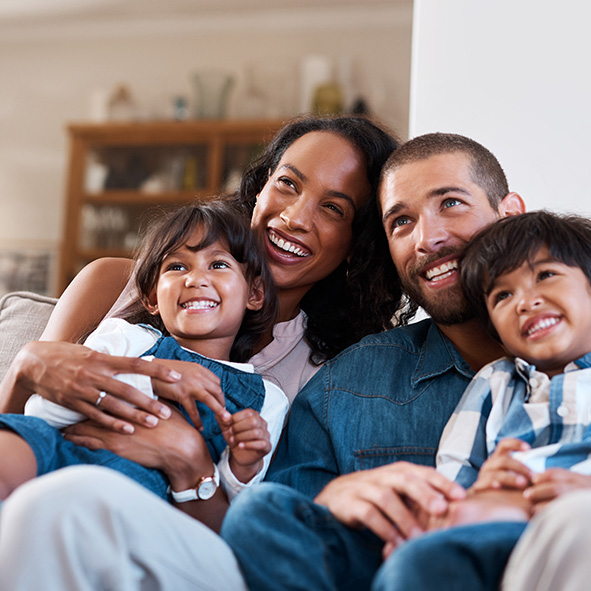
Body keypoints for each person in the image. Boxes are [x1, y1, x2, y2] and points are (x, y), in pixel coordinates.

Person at [0, 115, 400, 590]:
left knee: (58, 506)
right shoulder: (112, 287)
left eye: (334, 209)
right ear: (258, 190)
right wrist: (26, 369)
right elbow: (32, 423)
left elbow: (251, 539)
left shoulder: (327, 376)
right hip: (48, 480)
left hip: (169, 535)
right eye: (288, 184)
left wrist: (188, 457)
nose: (295, 217)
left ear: (356, 244)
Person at [219, 132, 530, 591]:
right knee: (255, 513)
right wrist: (330, 498)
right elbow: (282, 534)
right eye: (401, 222)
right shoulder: (341, 389)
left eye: (451, 204)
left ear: (510, 215)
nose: (428, 239)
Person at [0, 199, 289, 510]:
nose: (194, 279)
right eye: (177, 267)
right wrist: (152, 377)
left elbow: (227, 514)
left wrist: (242, 468)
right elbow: (43, 412)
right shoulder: (124, 336)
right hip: (53, 448)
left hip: (143, 494)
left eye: (218, 264)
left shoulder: (266, 399)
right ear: (151, 297)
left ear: (254, 294)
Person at [368, 210, 591, 591]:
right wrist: (480, 488)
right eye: (503, 295)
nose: (527, 301)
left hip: (577, 525)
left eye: (545, 275)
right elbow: (453, 477)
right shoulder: (496, 383)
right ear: (496, 332)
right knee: (418, 559)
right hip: (501, 531)